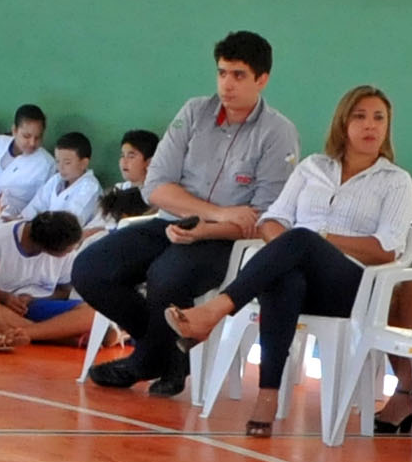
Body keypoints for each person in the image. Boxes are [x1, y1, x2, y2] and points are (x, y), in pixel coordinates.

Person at [168, 83, 412, 435]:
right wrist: (289, 249)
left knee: (303, 239)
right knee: (285, 277)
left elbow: (385, 250)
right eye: (360, 117)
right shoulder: (312, 167)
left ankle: (214, 312)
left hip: (353, 287)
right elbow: (271, 221)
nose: (370, 126)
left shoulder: (395, 180)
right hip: (299, 275)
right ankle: (267, 397)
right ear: (343, 123)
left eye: (379, 118)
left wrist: (316, 241)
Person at [77, 31, 299, 393]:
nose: (227, 84)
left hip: (226, 243)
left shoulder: (279, 132)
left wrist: (212, 227)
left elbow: (261, 218)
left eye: (238, 75)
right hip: (171, 221)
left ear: (262, 79)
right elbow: (156, 186)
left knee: (168, 275)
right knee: (90, 268)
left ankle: (147, 359)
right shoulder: (194, 112)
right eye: (222, 72)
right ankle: (167, 354)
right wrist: (218, 212)